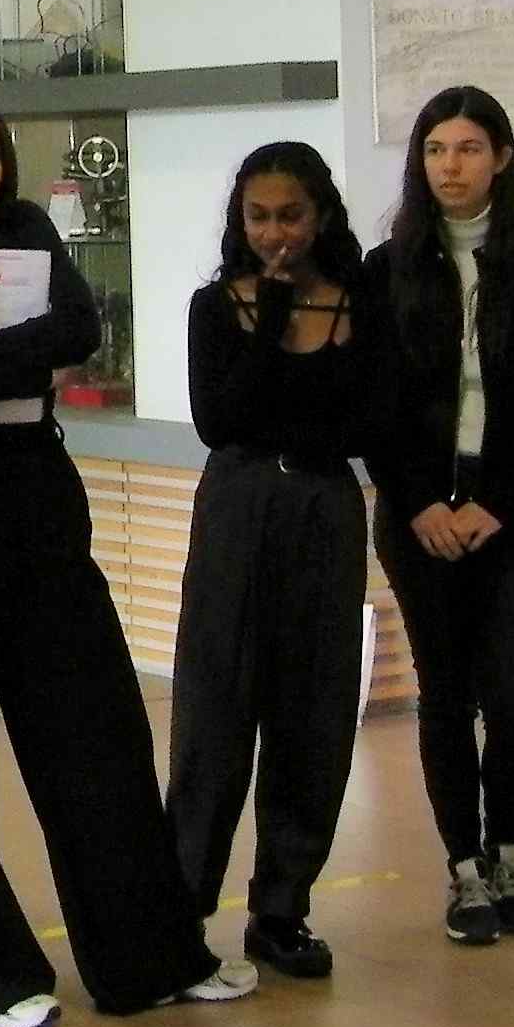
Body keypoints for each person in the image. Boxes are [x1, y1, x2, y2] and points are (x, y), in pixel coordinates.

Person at [0, 82, 256, 1027]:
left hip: (37, 497)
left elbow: (78, 327)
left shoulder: (30, 225)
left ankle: (148, 957)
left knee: (97, 731)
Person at [363, 85, 514, 947]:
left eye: (467, 149)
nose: (450, 167)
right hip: (419, 508)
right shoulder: (386, 269)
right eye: (434, 150)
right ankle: (463, 868)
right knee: (446, 696)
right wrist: (419, 499)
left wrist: (499, 504)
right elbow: (375, 404)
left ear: (501, 159)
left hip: (509, 509)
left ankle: (509, 853)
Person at [167, 142, 379, 982]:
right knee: (216, 709)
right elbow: (221, 420)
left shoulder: (360, 302)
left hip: (324, 511)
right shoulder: (216, 306)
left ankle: (282, 909)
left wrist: (292, 414)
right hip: (238, 507)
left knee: (314, 712)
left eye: (290, 215)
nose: (275, 233)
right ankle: (181, 908)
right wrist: (275, 314)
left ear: (320, 215)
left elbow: (363, 423)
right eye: (258, 217)